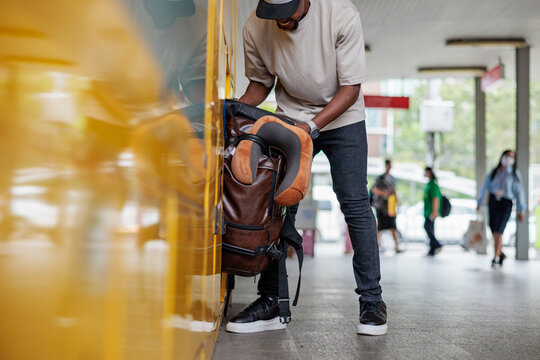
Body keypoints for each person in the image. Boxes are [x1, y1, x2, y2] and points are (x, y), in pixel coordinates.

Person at [226, 0, 387, 336]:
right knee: (277, 206)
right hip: (291, 117)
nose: (282, 20)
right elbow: (261, 84)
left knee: (354, 203)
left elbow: (351, 89)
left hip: (344, 118)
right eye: (275, 14)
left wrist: (311, 128)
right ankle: (271, 301)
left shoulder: (341, 15)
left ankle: (371, 302)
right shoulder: (255, 27)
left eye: (289, 12)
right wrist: (231, 109)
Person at [477, 150, 526, 268]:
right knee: (493, 229)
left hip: (506, 203)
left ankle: (495, 257)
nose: (508, 158)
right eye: (507, 156)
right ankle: (501, 253)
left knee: (499, 230)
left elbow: (519, 192)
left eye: (511, 156)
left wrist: (521, 209)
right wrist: (479, 202)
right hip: (493, 202)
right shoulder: (494, 172)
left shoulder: (514, 174)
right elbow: (485, 187)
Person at [371, 159, 401, 253]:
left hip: (390, 207)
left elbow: (394, 191)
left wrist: (397, 201)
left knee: (393, 226)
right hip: (381, 206)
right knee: (379, 227)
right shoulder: (380, 178)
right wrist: (384, 193)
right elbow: (374, 190)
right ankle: (377, 246)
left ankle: (396, 247)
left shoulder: (393, 179)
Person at [423, 167, 443, 256]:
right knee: (430, 228)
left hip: (431, 212)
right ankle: (432, 249)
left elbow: (435, 199)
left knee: (427, 227)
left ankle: (437, 244)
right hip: (427, 211)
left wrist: (435, 211)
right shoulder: (429, 184)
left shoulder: (433, 185)